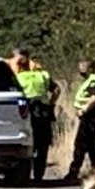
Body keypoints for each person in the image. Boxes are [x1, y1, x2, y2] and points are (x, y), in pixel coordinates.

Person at [14, 50, 59, 181]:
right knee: (43, 144)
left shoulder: (18, 77)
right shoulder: (43, 75)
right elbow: (56, 90)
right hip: (43, 112)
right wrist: (51, 103)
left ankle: (26, 172)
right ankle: (39, 174)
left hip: (26, 113)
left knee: (27, 143)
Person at [65, 58, 95, 182]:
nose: (80, 69)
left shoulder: (93, 80)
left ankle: (74, 172)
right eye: (80, 66)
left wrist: (84, 110)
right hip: (88, 117)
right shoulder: (87, 80)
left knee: (81, 144)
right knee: (92, 144)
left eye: (83, 67)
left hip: (91, 116)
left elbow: (94, 97)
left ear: (90, 68)